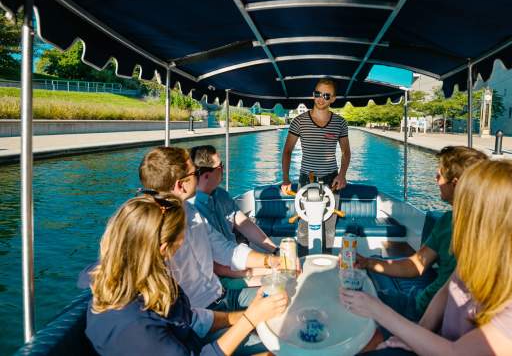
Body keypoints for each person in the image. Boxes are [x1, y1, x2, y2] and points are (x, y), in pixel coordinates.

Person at [340, 159, 512, 356]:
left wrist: (377, 310)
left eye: (467, 204)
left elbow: (456, 353)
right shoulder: (482, 258)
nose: (458, 214)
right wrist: (416, 335)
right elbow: (447, 291)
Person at [85, 194, 288, 356]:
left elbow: (192, 319)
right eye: (180, 242)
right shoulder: (133, 325)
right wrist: (250, 320)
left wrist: (247, 316)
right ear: (163, 249)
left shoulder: (154, 281)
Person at [356, 146, 488, 322]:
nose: (436, 179)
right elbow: (416, 265)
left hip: (421, 309)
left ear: (455, 183)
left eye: (439, 175)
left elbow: (416, 267)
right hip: (429, 304)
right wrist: (369, 262)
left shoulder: (450, 222)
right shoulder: (456, 220)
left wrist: (369, 262)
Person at [189, 145, 277, 289]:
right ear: (206, 175)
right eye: (220, 166)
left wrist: (275, 249)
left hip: (237, 264)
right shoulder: (193, 212)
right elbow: (217, 266)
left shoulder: (222, 195)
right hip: (219, 281)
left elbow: (245, 224)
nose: (224, 169)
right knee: (280, 286)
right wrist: (268, 269)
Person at [281, 78, 351, 251]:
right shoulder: (298, 121)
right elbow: (287, 151)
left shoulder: (340, 123)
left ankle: (325, 264)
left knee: (329, 227)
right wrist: (285, 178)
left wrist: (342, 175)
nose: (321, 98)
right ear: (313, 94)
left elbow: (346, 152)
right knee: (304, 227)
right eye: (318, 94)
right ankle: (303, 265)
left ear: (333, 99)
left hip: (332, 181)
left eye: (326, 95)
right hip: (306, 180)